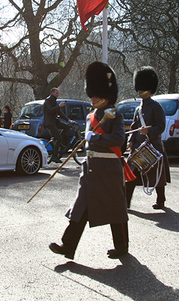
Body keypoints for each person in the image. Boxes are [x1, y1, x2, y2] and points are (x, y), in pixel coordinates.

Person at [49, 62, 128, 260]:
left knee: (115, 210)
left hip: (109, 169)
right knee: (80, 208)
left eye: (94, 94)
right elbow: (87, 140)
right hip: (90, 169)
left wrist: (97, 139)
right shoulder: (90, 116)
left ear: (104, 95)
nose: (91, 98)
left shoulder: (115, 115)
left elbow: (119, 139)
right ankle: (68, 246)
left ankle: (122, 246)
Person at [125, 66, 170, 210]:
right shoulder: (138, 108)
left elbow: (161, 126)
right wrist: (130, 140)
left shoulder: (156, 107)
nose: (140, 91)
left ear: (149, 90)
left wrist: (148, 132)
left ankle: (161, 199)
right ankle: (125, 203)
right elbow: (133, 126)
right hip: (138, 148)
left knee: (157, 176)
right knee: (130, 175)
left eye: (142, 89)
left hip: (153, 147)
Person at [43, 88, 71, 164]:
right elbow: (49, 110)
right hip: (49, 123)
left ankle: (58, 139)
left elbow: (59, 112)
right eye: (56, 93)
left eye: (58, 93)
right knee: (59, 139)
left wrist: (68, 120)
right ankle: (54, 157)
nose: (58, 95)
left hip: (54, 121)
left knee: (67, 127)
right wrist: (59, 106)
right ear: (52, 93)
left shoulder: (54, 101)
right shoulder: (48, 100)